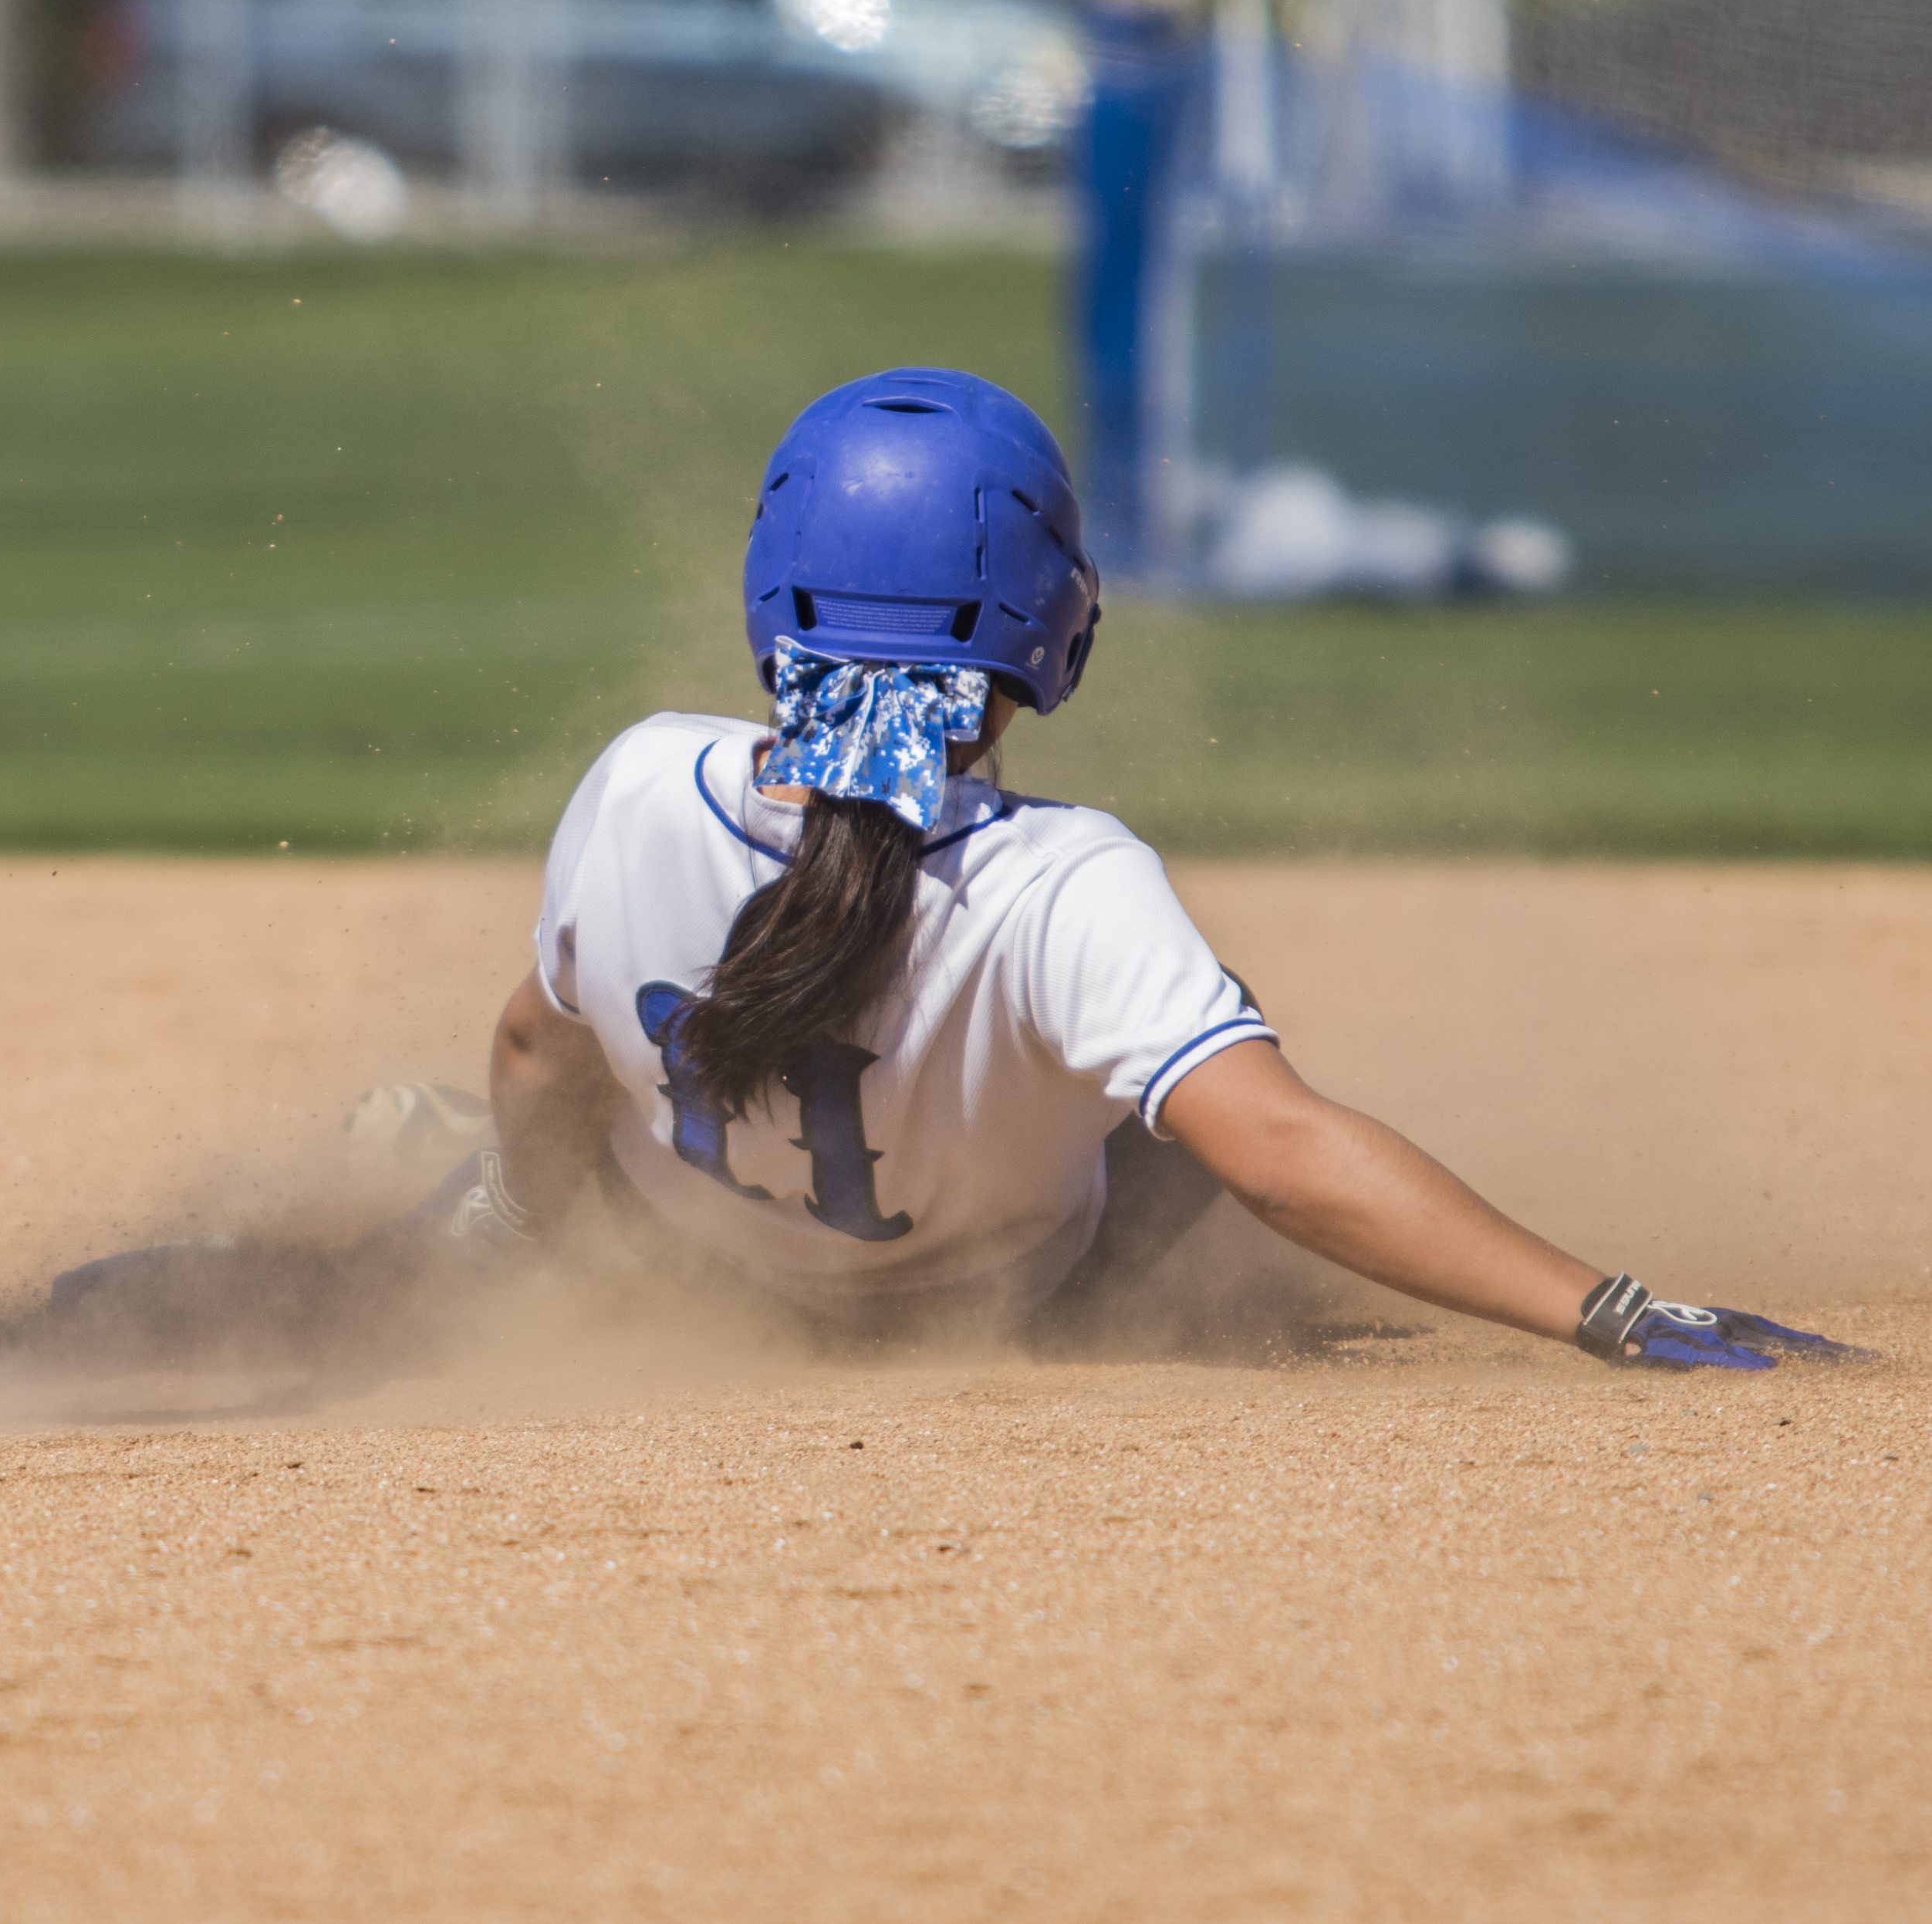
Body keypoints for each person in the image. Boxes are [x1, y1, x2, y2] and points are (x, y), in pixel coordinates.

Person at [407, 367, 1853, 1375]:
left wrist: (519, 1219)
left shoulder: (642, 776)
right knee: (1186, 1065)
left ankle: (427, 1157)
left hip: (705, 1285)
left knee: (581, 1082)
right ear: (1050, 626)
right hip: (992, 1306)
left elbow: (538, 1052)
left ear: (774, 599)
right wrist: (1607, 1309)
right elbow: (1280, 1159)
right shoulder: (1065, 883)